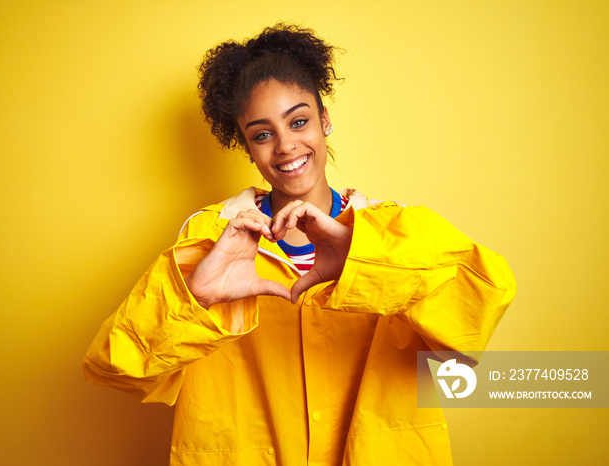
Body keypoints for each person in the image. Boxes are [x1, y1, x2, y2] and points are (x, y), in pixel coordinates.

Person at [83, 24, 516, 465]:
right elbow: (118, 365)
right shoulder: (210, 237)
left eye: (299, 121)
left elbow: (479, 310)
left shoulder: (391, 230)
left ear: (325, 120)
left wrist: (360, 252)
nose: (286, 145)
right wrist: (195, 298)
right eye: (262, 133)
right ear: (247, 147)